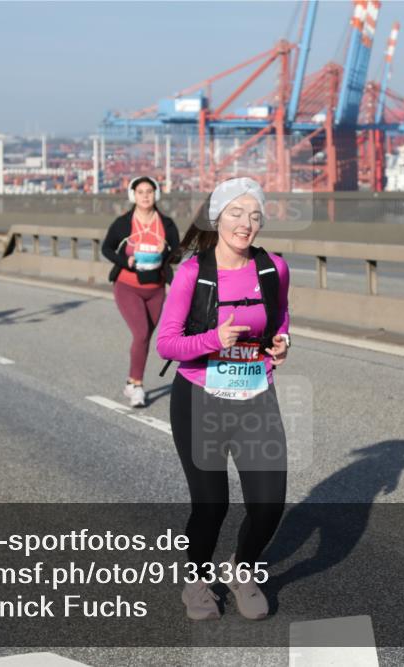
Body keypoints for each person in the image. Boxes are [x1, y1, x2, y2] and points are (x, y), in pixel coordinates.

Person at [156, 177, 291, 620]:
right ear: (217, 217)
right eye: (236, 213)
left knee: (269, 503)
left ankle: (242, 569)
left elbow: (280, 316)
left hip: (255, 394)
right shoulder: (194, 272)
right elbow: (168, 345)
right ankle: (196, 581)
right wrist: (214, 338)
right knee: (212, 505)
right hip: (200, 398)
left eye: (255, 216)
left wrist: (282, 341)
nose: (246, 224)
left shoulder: (273, 268)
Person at [101, 176, 180, 407]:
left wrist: (163, 253)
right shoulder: (123, 223)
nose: (145, 196)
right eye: (140, 192)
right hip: (128, 286)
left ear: (156, 194)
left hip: (156, 289)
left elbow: (177, 251)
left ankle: (130, 381)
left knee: (144, 338)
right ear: (132, 195)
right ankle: (137, 386)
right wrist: (126, 261)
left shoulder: (167, 224)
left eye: (149, 191)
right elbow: (106, 248)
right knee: (141, 333)